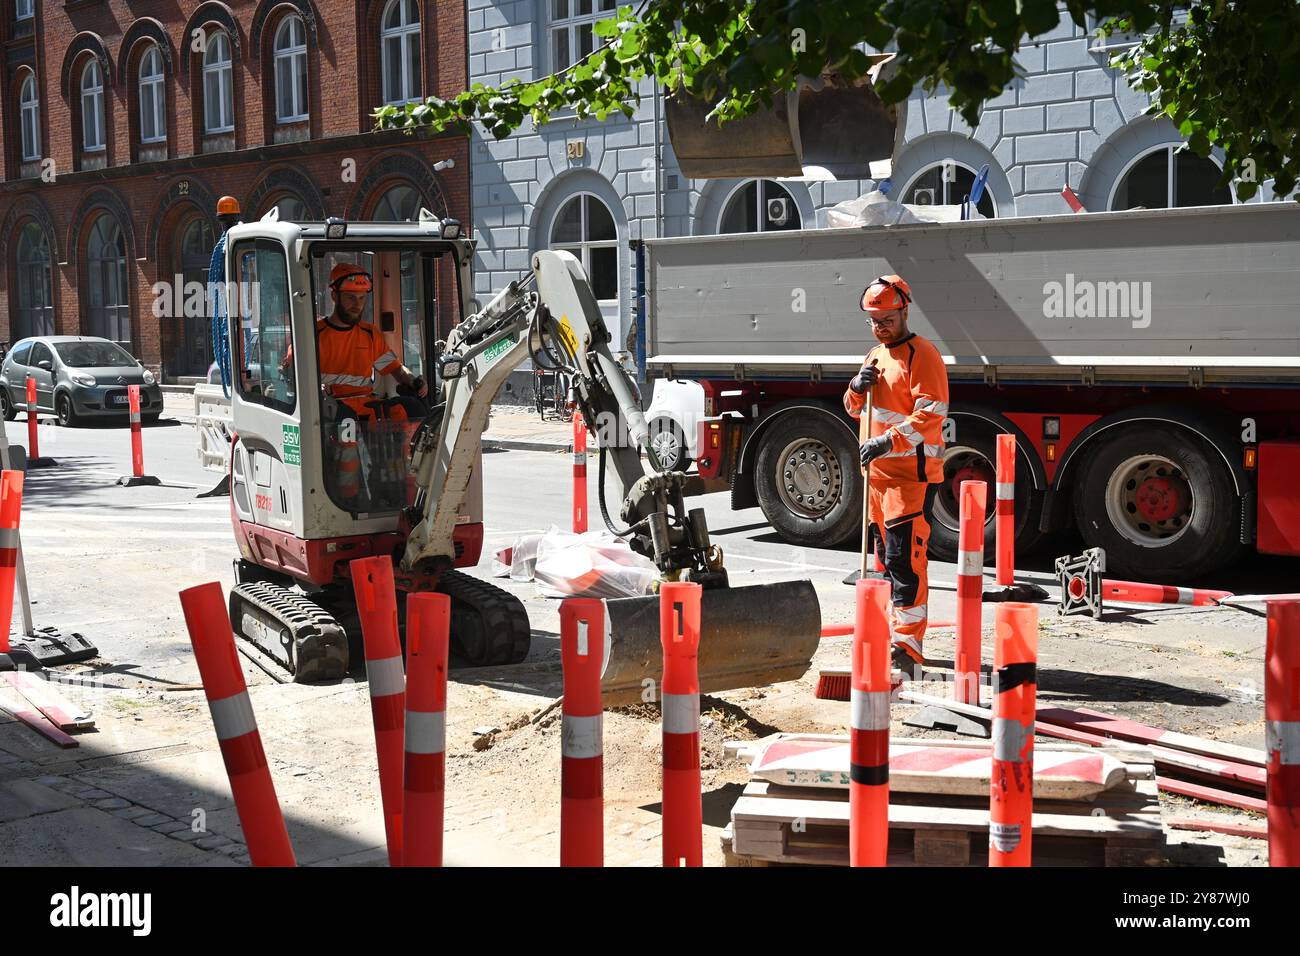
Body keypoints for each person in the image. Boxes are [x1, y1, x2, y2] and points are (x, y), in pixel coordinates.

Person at [842, 275, 949, 678]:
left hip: (909, 478)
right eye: (873, 320)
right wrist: (855, 386)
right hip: (877, 479)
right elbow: (855, 408)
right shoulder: (874, 354)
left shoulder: (923, 355)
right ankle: (886, 637)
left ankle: (907, 648)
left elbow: (930, 415)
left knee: (906, 563)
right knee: (884, 565)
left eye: (886, 318)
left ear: (904, 311)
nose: (880, 327)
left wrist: (888, 441)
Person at [296, 262, 428, 504]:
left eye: (361, 297)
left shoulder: (370, 334)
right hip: (330, 413)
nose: (357, 304)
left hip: (366, 411)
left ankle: (405, 493)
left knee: (412, 410)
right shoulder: (315, 334)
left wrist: (413, 381)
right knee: (347, 425)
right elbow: (291, 374)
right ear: (334, 295)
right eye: (350, 297)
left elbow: (396, 369)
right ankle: (350, 500)